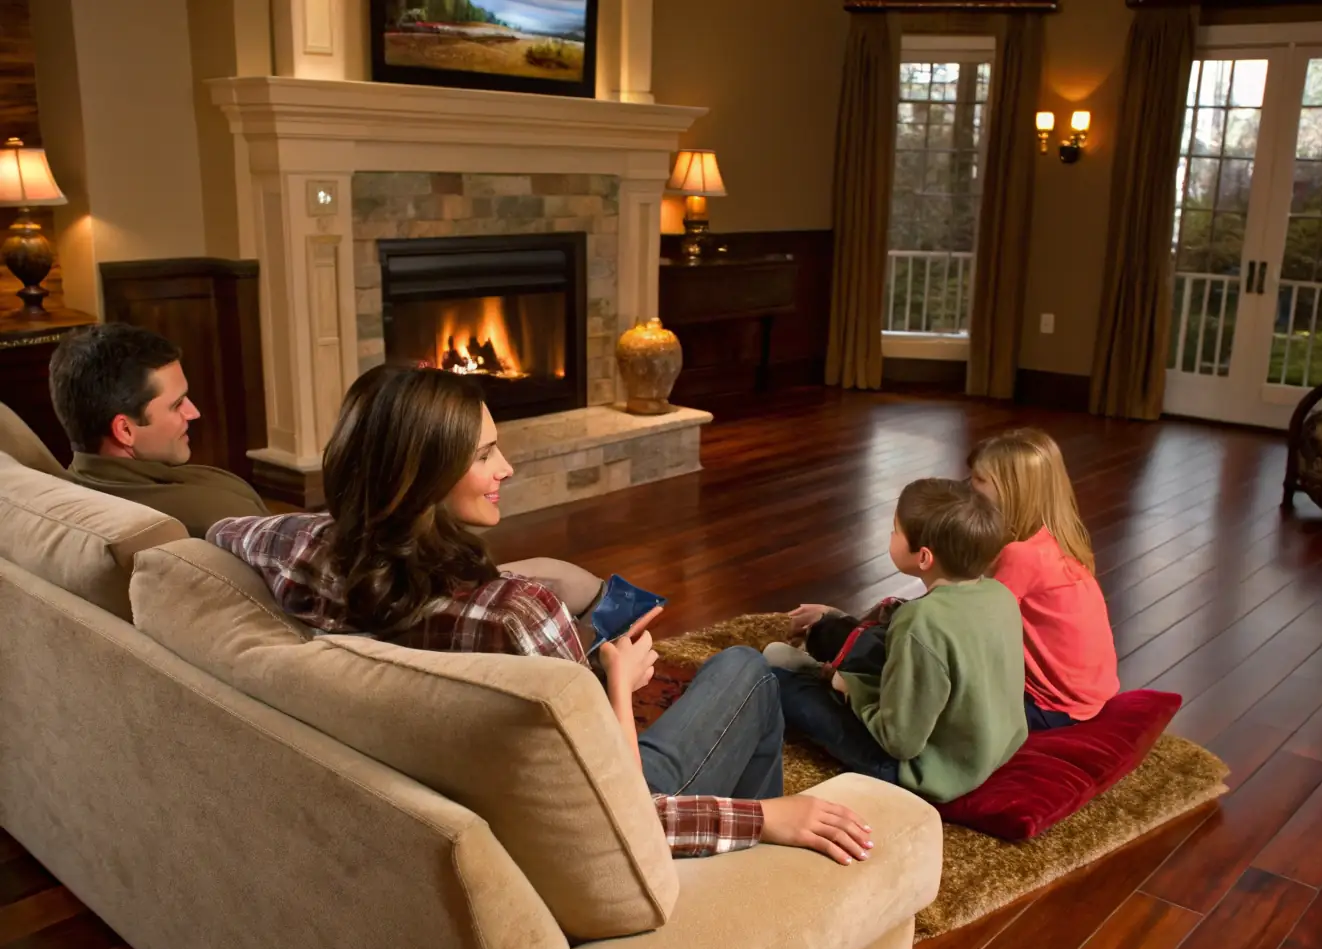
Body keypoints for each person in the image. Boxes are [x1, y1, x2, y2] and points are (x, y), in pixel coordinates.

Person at [209, 364, 874, 865]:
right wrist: (618, 686)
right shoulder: (518, 617)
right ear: (421, 476)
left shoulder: (294, 545)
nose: (506, 465)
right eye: (481, 456)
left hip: (444, 775)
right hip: (606, 831)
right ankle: (749, 877)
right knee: (743, 671)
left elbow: (217, 533)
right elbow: (616, 807)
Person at [770, 478, 1028, 805]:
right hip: (992, 748)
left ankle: (809, 676)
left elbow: (900, 741)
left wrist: (853, 692)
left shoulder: (922, 622)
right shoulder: (999, 594)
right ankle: (820, 672)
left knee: (774, 681)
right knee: (837, 659)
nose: (890, 535)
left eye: (895, 530)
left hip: (923, 773)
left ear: (923, 557)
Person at [48, 323, 268, 537]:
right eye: (177, 404)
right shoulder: (222, 516)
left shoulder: (61, 499)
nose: (193, 412)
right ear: (125, 430)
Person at [969, 428, 1120, 730]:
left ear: (1013, 489)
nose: (969, 487)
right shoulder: (1059, 541)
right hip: (1091, 697)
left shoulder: (1021, 555)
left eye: (979, 480)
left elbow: (970, 624)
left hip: (1053, 708)